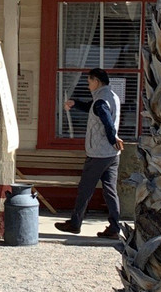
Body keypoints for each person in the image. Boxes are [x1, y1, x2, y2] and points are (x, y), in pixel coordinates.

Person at [55, 67, 124, 238]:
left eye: (89, 82)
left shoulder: (101, 101)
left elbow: (106, 120)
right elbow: (94, 109)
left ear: (97, 81)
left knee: (85, 189)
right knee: (110, 191)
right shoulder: (111, 96)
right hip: (112, 155)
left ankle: (75, 224)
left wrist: (112, 139)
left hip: (98, 153)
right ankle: (115, 228)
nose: (88, 86)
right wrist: (76, 103)